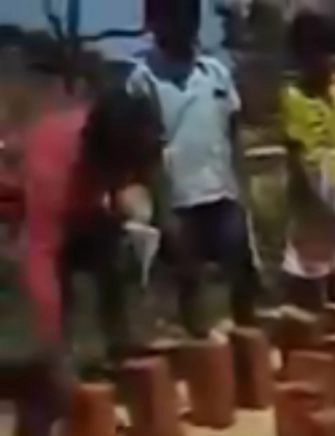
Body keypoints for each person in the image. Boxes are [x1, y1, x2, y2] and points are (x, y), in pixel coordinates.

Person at [0, 58, 163, 435]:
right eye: (121, 170)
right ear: (102, 157)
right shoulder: (55, 172)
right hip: (19, 214)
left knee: (120, 246)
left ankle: (120, 348)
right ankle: (41, 397)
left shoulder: (126, 132)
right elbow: (40, 260)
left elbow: (147, 174)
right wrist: (53, 354)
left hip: (78, 209)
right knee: (40, 354)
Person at [126, 0, 263, 336]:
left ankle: (249, 343)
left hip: (222, 190)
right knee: (190, 277)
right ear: (155, 22)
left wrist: (244, 192)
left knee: (242, 268)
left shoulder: (215, 72)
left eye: (191, 15)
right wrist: (163, 211)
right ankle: (201, 354)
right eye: (175, 15)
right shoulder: (142, 80)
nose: (186, 23)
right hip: (179, 197)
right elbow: (146, 153)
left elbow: (233, 134)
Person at [281, 12, 335, 310]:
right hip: (312, 186)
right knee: (312, 265)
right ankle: (311, 323)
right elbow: (295, 152)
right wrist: (310, 193)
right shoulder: (293, 97)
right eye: (319, 54)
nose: (329, 61)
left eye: (334, 53)